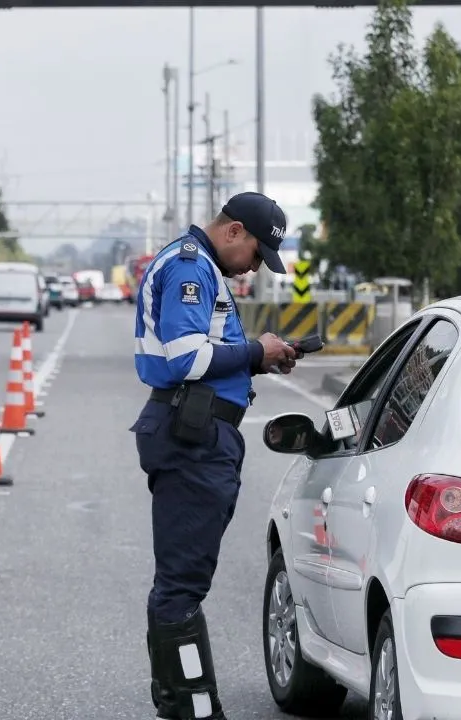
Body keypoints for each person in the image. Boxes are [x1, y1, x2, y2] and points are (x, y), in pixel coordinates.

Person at [130, 191, 303, 719]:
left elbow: (204, 356)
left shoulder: (202, 266)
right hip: (193, 439)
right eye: (255, 253)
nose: (254, 266)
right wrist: (257, 351)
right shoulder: (192, 269)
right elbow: (186, 358)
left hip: (197, 432)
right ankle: (195, 710)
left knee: (177, 583)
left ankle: (174, 701)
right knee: (182, 587)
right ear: (233, 232)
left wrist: (258, 361)